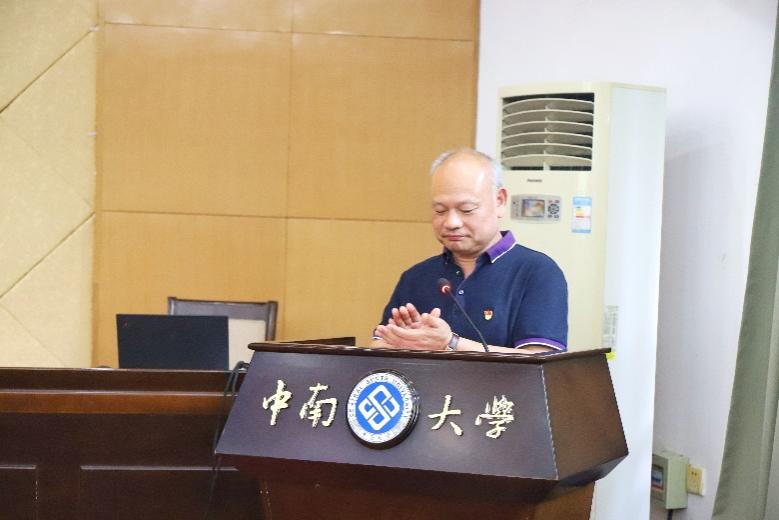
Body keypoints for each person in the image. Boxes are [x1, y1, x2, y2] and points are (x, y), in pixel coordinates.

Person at [371, 148, 568, 354]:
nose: (451, 222)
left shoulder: (538, 272)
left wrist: (451, 343)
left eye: (466, 209)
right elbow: (377, 348)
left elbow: (540, 359)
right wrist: (402, 342)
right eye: (440, 210)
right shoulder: (416, 277)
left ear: (500, 201)